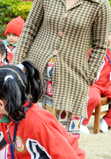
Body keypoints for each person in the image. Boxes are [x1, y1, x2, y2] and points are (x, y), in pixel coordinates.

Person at [12, 0, 111, 135]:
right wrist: (17, 67)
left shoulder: (99, 3)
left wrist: (88, 77)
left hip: (72, 79)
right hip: (36, 72)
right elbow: (29, 29)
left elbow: (100, 45)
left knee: (64, 137)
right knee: (31, 129)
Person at [83, 32, 111, 133]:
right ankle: (82, 122)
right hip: (94, 84)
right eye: (106, 34)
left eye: (110, 35)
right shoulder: (91, 52)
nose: (108, 38)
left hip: (107, 85)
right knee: (94, 97)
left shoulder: (109, 53)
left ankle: (107, 120)